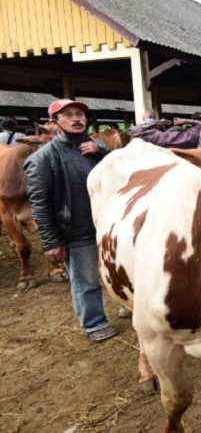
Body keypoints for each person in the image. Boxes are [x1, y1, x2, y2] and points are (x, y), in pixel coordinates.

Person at [24, 99, 117, 342]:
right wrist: (51, 241)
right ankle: (94, 323)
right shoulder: (43, 158)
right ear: (55, 123)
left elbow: (119, 171)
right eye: (67, 115)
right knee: (86, 280)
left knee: (115, 271)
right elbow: (40, 203)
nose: (76, 119)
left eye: (79, 114)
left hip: (108, 225)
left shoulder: (95, 146)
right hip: (77, 229)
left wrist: (103, 152)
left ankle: (123, 304)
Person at [130, 109, 201, 149]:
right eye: (150, 117)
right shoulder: (198, 132)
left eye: (152, 117)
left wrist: (154, 124)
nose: (151, 119)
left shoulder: (192, 134)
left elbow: (136, 132)